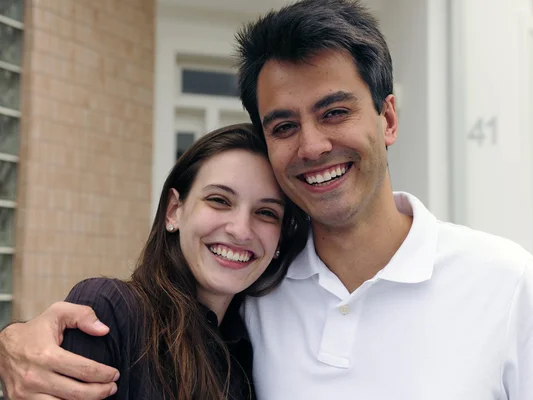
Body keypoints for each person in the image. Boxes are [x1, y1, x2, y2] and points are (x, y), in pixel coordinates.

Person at [0, 0, 533, 399]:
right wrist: (16, 341)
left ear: (387, 117)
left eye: (334, 112)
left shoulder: (502, 280)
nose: (313, 146)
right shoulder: (259, 292)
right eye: (283, 126)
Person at [0, 123, 308, 400]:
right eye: (219, 200)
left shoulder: (253, 347)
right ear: (174, 210)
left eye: (266, 213)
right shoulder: (108, 311)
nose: (241, 230)